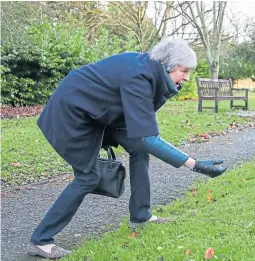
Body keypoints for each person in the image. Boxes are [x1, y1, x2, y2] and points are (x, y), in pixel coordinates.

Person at [27, 38, 227, 259]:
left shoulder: (150, 70)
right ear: (168, 64)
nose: (187, 77)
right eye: (184, 70)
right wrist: (195, 165)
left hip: (99, 113)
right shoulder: (139, 77)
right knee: (88, 177)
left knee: (139, 149)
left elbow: (142, 135)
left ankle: (141, 215)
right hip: (71, 115)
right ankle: (41, 241)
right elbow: (149, 137)